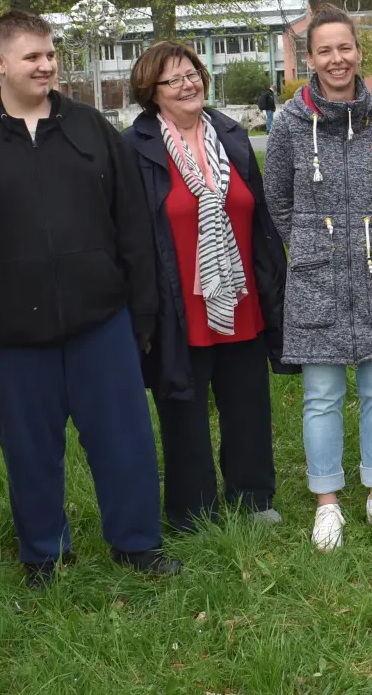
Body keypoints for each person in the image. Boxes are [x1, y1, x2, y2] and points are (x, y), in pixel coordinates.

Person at [0, 10, 179, 588]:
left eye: (51, 55)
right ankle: (44, 555)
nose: (47, 65)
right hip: (10, 333)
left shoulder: (91, 128)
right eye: (33, 57)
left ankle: (138, 545)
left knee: (124, 441)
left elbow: (132, 226)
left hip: (102, 321)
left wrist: (139, 312)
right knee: (29, 451)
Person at [262, 5, 372, 552]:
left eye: (345, 48)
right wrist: (312, 243)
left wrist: (368, 238)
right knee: (321, 394)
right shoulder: (286, 124)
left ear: (358, 52)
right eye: (324, 50)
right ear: (310, 58)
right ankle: (327, 503)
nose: (337, 59)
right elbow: (278, 197)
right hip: (315, 277)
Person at [125, 41, 291, 532]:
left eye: (192, 72)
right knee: (183, 410)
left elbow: (257, 215)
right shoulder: (135, 149)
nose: (188, 83)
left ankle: (253, 497)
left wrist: (272, 285)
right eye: (173, 79)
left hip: (240, 296)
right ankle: (192, 512)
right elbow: (131, 234)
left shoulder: (232, 136)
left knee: (247, 403)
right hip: (177, 306)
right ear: (151, 93)